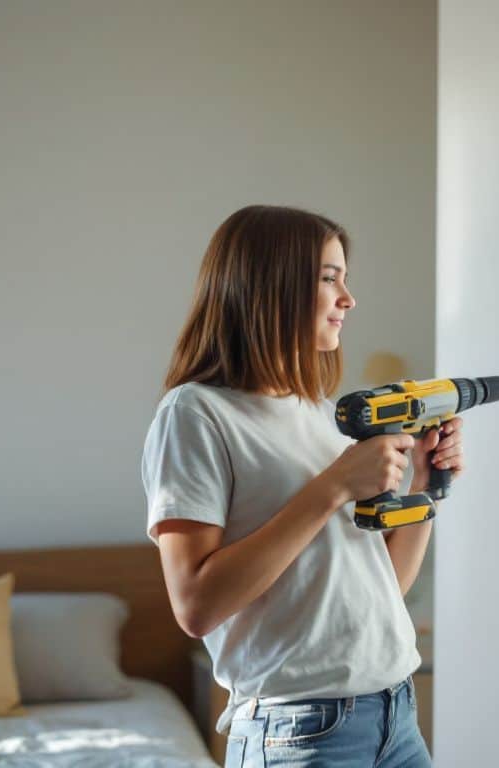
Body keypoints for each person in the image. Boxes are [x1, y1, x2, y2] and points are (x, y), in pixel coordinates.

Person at [141, 205, 460, 768]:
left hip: (395, 715)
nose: (347, 299)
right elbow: (195, 604)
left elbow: (382, 590)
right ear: (271, 286)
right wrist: (333, 487)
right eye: (329, 278)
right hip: (300, 734)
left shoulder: (324, 416)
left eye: (345, 279)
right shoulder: (195, 413)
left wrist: (425, 489)